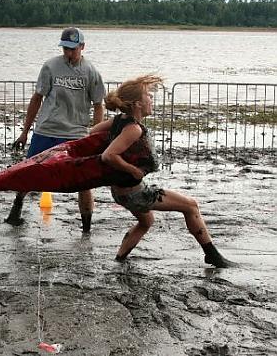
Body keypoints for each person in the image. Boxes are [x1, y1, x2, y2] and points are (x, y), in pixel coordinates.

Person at [91, 75, 232, 267]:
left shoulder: (118, 121)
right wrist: (132, 169)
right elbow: (108, 156)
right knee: (191, 206)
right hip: (136, 194)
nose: (152, 99)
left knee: (146, 221)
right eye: (148, 96)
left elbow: (92, 133)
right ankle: (213, 256)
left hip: (119, 192)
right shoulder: (133, 129)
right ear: (138, 104)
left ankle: (120, 259)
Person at [7, 27, 105, 231]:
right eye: (65, 49)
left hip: (76, 134)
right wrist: (25, 131)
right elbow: (37, 98)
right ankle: (16, 208)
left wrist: (95, 134)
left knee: (84, 182)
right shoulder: (50, 67)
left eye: (73, 49)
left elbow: (98, 104)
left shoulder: (92, 72)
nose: (68, 53)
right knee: (28, 172)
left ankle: (86, 227)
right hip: (46, 130)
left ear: (82, 47)